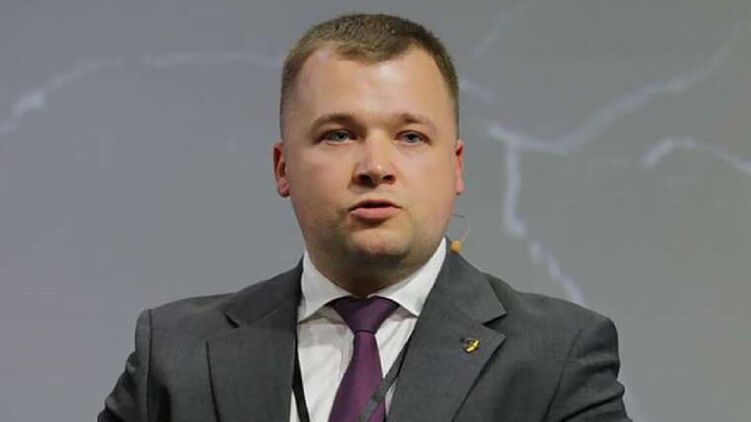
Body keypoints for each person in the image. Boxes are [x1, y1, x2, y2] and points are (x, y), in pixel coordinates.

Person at [99, 13, 631, 422]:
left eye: (410, 137)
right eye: (339, 135)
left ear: (456, 166)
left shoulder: (557, 356)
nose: (376, 166)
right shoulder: (177, 355)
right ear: (283, 168)